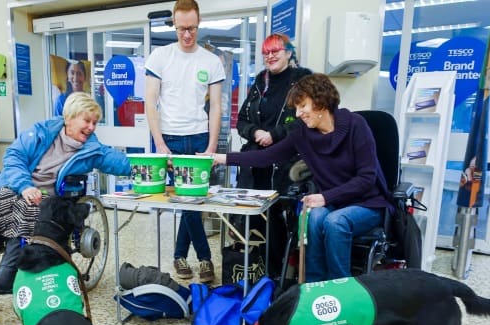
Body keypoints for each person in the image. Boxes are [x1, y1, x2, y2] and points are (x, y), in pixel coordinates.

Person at [211, 73, 394, 283]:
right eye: (296, 108)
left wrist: (325, 198)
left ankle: (340, 290)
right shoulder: (302, 134)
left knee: (335, 222)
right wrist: (219, 158)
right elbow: (266, 156)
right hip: (335, 202)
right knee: (314, 218)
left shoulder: (356, 125)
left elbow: (366, 178)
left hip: (368, 203)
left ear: (320, 101)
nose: (298, 114)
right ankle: (313, 288)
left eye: (302, 106)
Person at [0, 92, 130, 295]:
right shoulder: (41, 133)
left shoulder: (92, 149)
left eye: (95, 122)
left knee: (25, 204)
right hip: (19, 185)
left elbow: (119, 162)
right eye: (87, 121)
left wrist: (148, 165)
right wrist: (24, 186)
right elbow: (15, 156)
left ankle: (9, 269)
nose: (91, 127)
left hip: (47, 197)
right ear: (69, 118)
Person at [144, 0, 225, 283]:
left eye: (191, 28)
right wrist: (160, 145)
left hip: (200, 138)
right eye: (181, 29)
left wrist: (212, 146)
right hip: (171, 140)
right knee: (189, 202)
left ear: (198, 24)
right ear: (174, 26)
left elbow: (215, 107)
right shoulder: (159, 57)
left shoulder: (211, 61)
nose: (187, 35)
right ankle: (205, 258)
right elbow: (150, 104)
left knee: (192, 201)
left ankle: (179, 256)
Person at [234, 33, 311, 277]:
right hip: (256, 164)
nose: (270, 56)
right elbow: (242, 120)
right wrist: (254, 131)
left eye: (275, 51)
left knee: (279, 225)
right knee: (254, 224)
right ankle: (256, 275)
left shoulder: (303, 80)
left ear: (289, 52)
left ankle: (279, 278)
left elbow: (305, 121)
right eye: (266, 52)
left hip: (286, 164)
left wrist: (274, 135)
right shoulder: (260, 81)